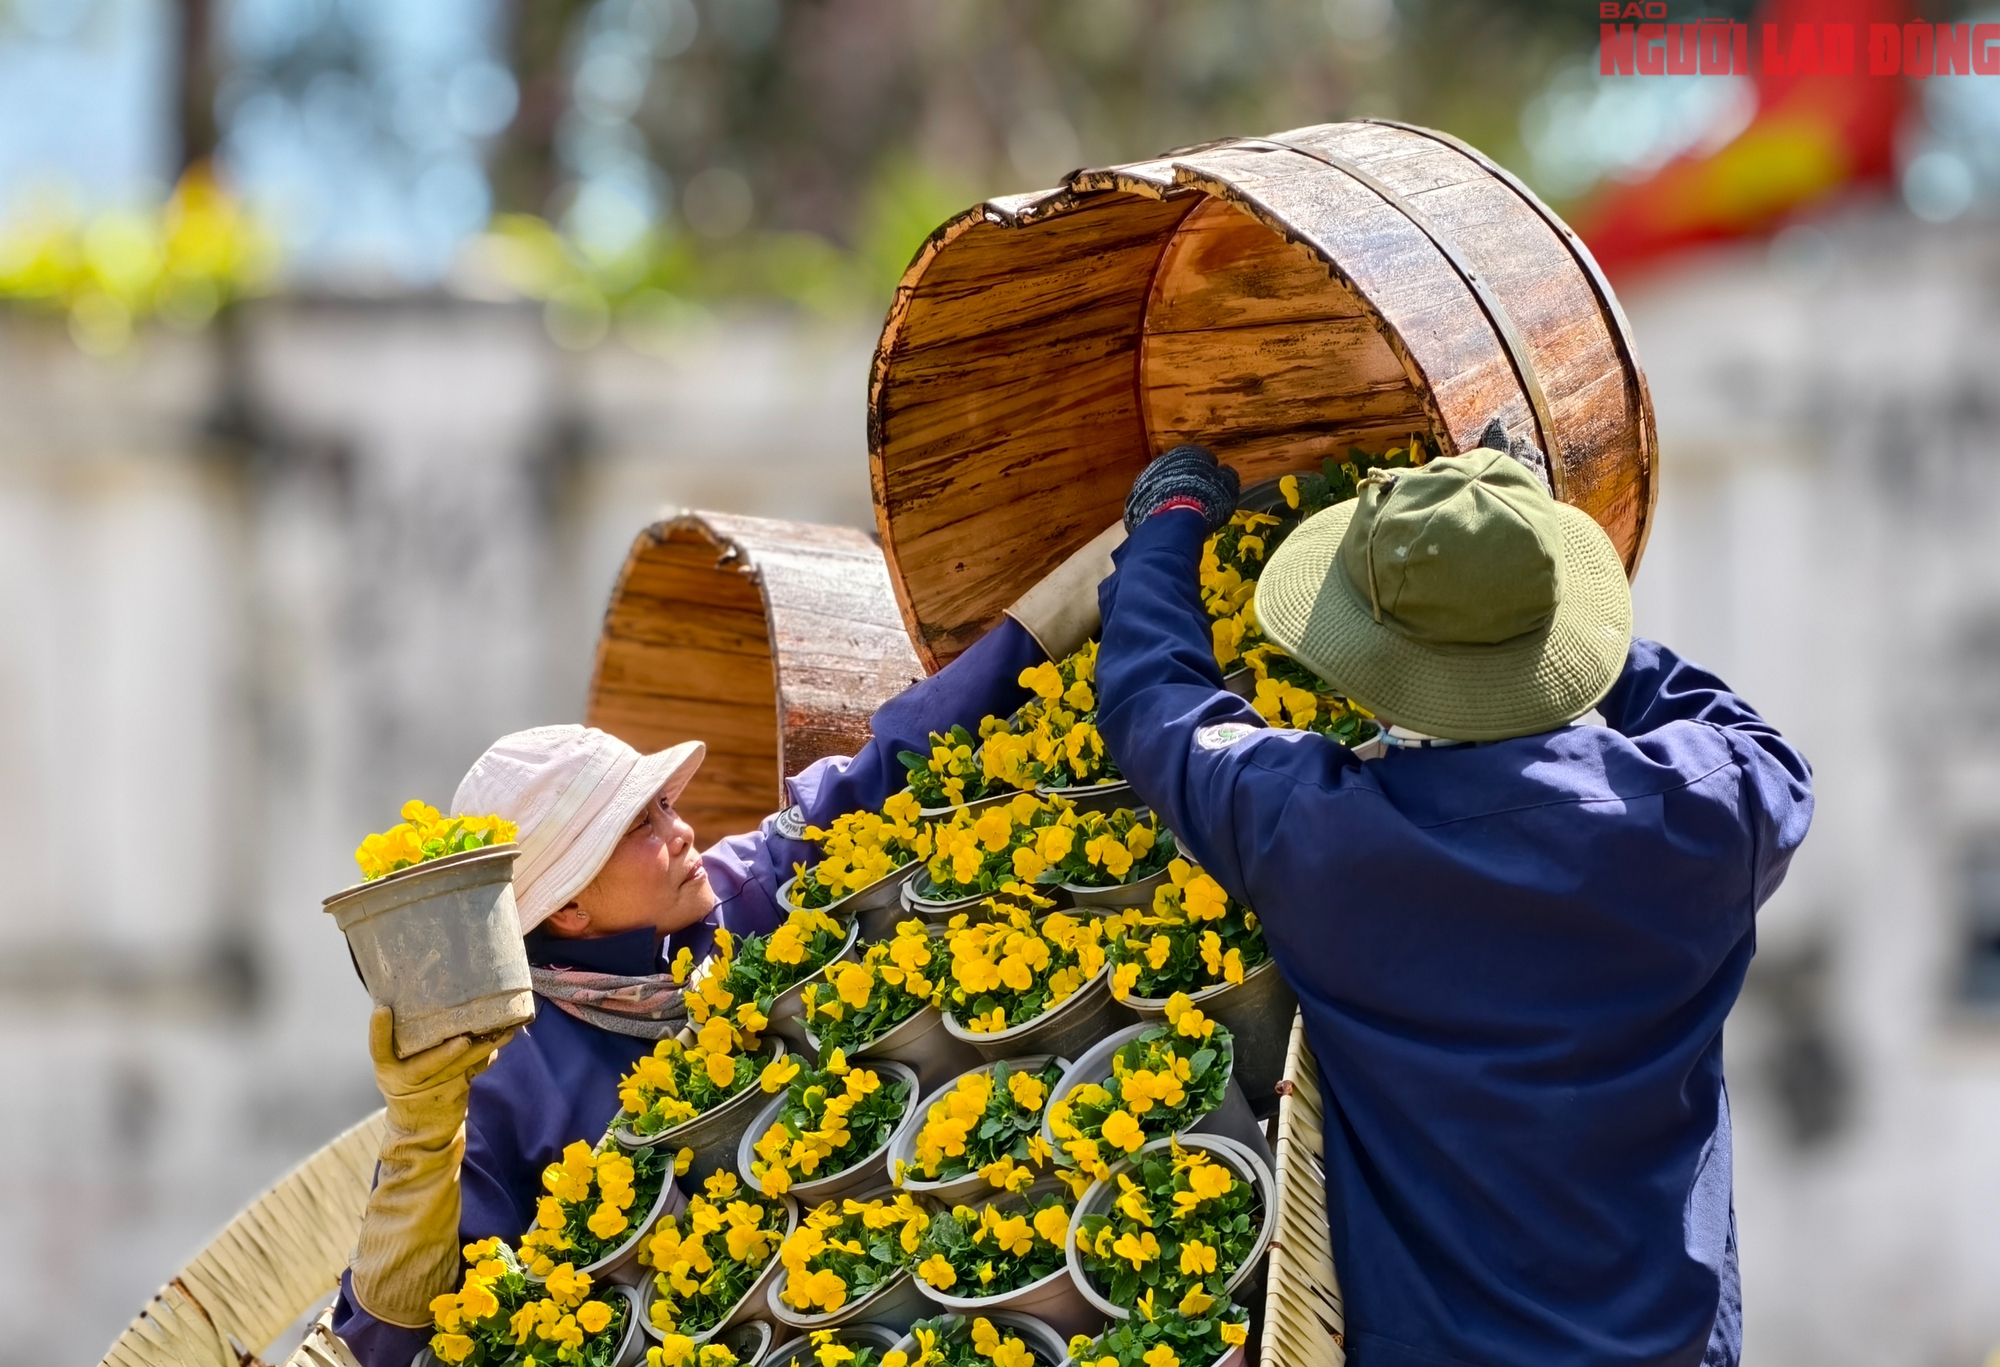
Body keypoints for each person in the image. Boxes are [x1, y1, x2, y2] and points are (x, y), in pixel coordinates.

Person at [1096, 443, 1812, 1367]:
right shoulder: (1701, 815)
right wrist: (1530, 605)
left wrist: (1169, 523)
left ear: (1373, 664)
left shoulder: (1316, 834)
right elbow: (1753, 740)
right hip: (1667, 1343)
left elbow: (1157, 702)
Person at [331, 529, 1121, 1365]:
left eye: (667, 805)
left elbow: (886, 764)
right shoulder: (506, 1081)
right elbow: (388, 1342)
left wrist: (1088, 589)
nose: (684, 831)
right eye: (642, 825)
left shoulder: (735, 896)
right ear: (568, 914)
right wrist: (421, 1140)